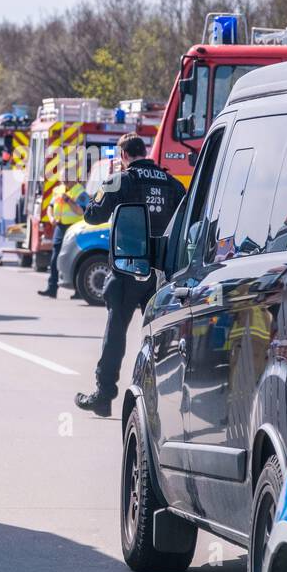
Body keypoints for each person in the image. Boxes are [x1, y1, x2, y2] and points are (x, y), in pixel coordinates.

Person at [74, 133, 185, 416]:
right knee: (157, 336)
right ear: (144, 151)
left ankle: (104, 394)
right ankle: (158, 399)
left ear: (123, 155)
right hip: (160, 272)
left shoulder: (120, 180)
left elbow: (92, 216)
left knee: (116, 333)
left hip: (126, 269)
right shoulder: (171, 183)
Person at [38, 178, 87, 299]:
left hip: (75, 228)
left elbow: (81, 211)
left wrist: (69, 200)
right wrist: (51, 218)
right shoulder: (58, 190)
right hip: (60, 227)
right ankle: (52, 288)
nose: (64, 182)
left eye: (67, 179)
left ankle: (79, 291)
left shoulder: (80, 192)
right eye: (62, 179)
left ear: (74, 179)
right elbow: (50, 206)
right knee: (55, 258)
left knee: (76, 257)